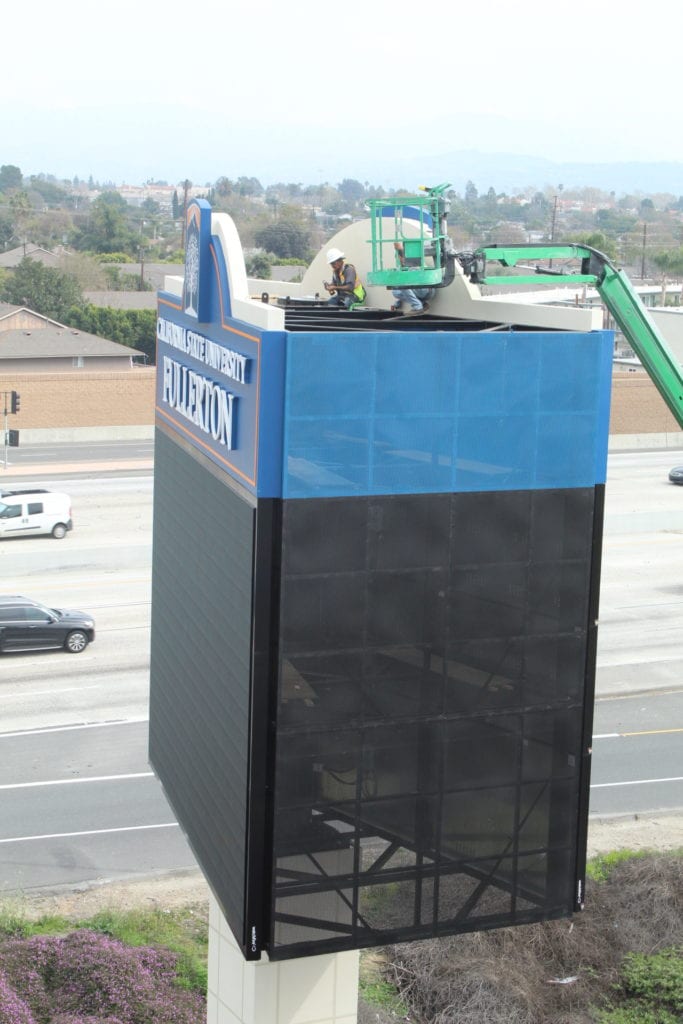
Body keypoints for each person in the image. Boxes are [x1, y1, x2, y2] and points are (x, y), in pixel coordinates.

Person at [390, 241, 434, 314]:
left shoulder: (413, 262)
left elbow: (404, 286)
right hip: (425, 291)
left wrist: (399, 249)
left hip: (425, 289)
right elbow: (405, 291)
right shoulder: (405, 267)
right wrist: (396, 304)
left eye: (399, 258)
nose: (399, 260)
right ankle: (422, 303)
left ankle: (417, 306)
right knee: (396, 290)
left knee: (400, 284)